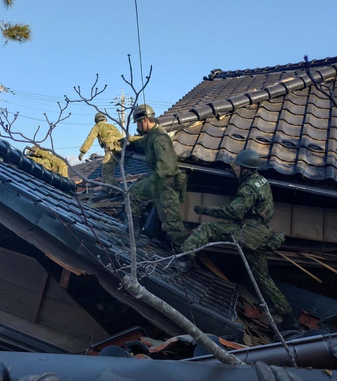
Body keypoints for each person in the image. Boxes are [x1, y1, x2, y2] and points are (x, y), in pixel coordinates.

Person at [178, 149, 300, 331]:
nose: (234, 170)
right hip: (261, 234)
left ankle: (184, 259)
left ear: (245, 169)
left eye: (237, 167)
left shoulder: (248, 188)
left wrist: (206, 211)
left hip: (249, 233)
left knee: (207, 228)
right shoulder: (261, 181)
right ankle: (289, 318)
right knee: (264, 279)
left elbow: (233, 212)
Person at [127, 104, 187, 246]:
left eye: (138, 123)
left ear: (145, 120)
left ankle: (187, 257)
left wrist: (153, 183)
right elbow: (142, 142)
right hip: (159, 184)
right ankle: (133, 232)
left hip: (165, 184)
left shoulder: (160, 138)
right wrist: (126, 141)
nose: (137, 128)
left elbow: (167, 165)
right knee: (132, 194)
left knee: (173, 226)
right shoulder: (152, 136)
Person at [78, 112, 123, 201]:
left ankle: (118, 192)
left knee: (106, 172)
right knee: (107, 170)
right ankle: (105, 190)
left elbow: (90, 138)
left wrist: (83, 151)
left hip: (111, 150)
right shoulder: (113, 126)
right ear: (105, 119)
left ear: (96, 121)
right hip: (121, 150)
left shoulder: (98, 126)